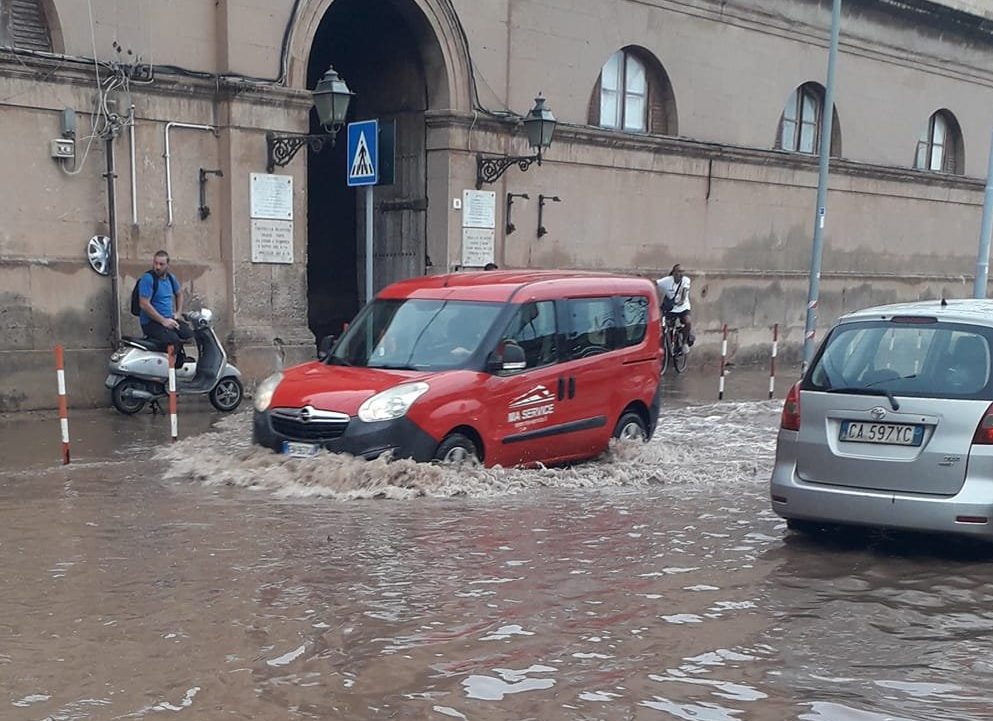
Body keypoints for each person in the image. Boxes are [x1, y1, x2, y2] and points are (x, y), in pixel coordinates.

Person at [138, 250, 193, 364]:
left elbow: (179, 294)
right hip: (151, 323)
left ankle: (180, 361)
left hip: (168, 320)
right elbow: (144, 304)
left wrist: (178, 313)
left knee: (188, 334)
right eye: (155, 263)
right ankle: (171, 371)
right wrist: (163, 321)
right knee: (173, 339)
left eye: (161, 264)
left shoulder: (171, 278)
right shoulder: (148, 279)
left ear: (167, 265)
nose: (157, 267)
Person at [657, 263, 694, 351]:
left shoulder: (686, 280)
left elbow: (684, 293)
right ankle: (667, 345)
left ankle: (684, 343)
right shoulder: (667, 281)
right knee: (664, 326)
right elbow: (655, 282)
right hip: (671, 308)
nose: (681, 274)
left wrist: (681, 301)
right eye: (679, 272)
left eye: (683, 272)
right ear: (674, 272)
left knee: (687, 322)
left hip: (683, 308)